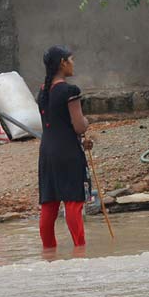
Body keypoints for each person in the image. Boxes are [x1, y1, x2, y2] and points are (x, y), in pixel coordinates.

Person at [36, 46, 93, 249]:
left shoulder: (42, 91)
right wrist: (87, 123)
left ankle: (49, 253)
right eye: (71, 59)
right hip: (68, 153)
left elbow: (58, 124)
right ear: (63, 63)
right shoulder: (70, 91)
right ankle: (80, 250)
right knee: (73, 203)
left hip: (46, 153)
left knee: (49, 205)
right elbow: (78, 126)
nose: (73, 63)